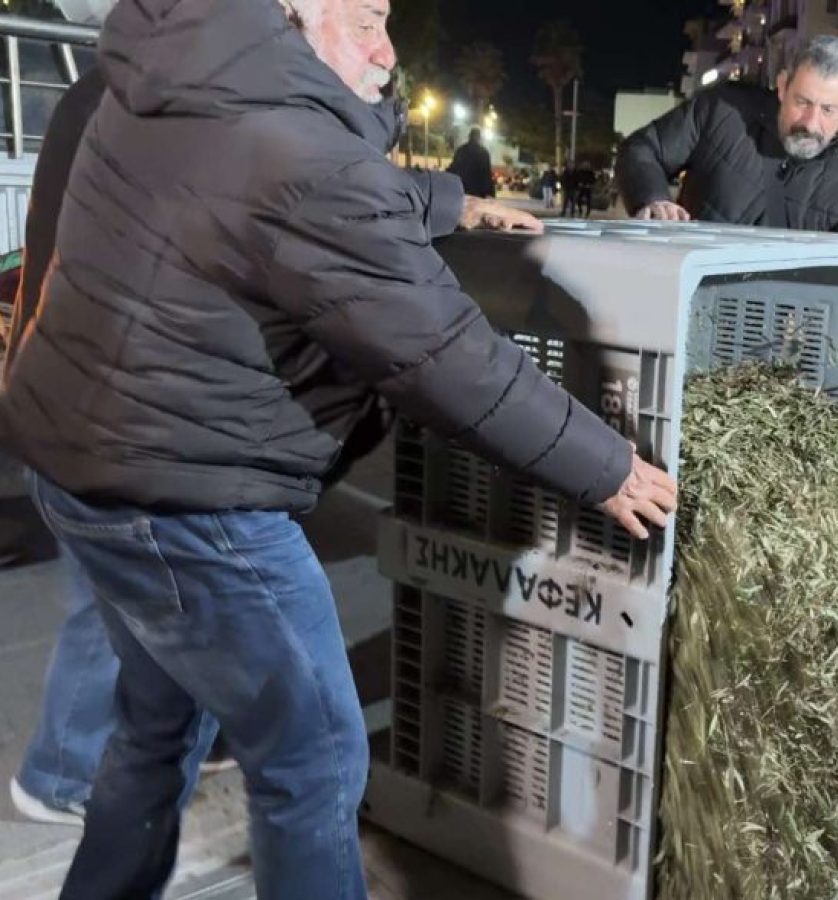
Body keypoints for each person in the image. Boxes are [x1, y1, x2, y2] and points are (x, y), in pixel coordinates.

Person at [0, 2, 677, 900]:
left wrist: (447, 199)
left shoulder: (187, 69)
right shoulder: (291, 144)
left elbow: (272, 187)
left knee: (159, 724)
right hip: (192, 504)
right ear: (297, 10)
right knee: (312, 756)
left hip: (83, 464)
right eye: (365, 20)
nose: (388, 51)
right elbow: (442, 352)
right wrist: (607, 465)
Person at [4, 0, 232, 830]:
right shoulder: (138, 101)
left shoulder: (104, 90)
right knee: (119, 602)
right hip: (98, 404)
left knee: (166, 592)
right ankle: (60, 774)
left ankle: (190, 732)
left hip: (72, 391)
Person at [615, 35, 838, 234]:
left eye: (828, 109)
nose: (811, 123)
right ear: (782, 86)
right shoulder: (720, 112)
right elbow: (642, 149)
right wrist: (653, 198)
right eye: (802, 102)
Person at [447, 126, 495, 198]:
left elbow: (454, 169)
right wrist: (491, 191)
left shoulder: (461, 151)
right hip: (478, 191)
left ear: (469, 136)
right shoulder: (483, 153)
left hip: (462, 189)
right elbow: (486, 173)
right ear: (479, 138)